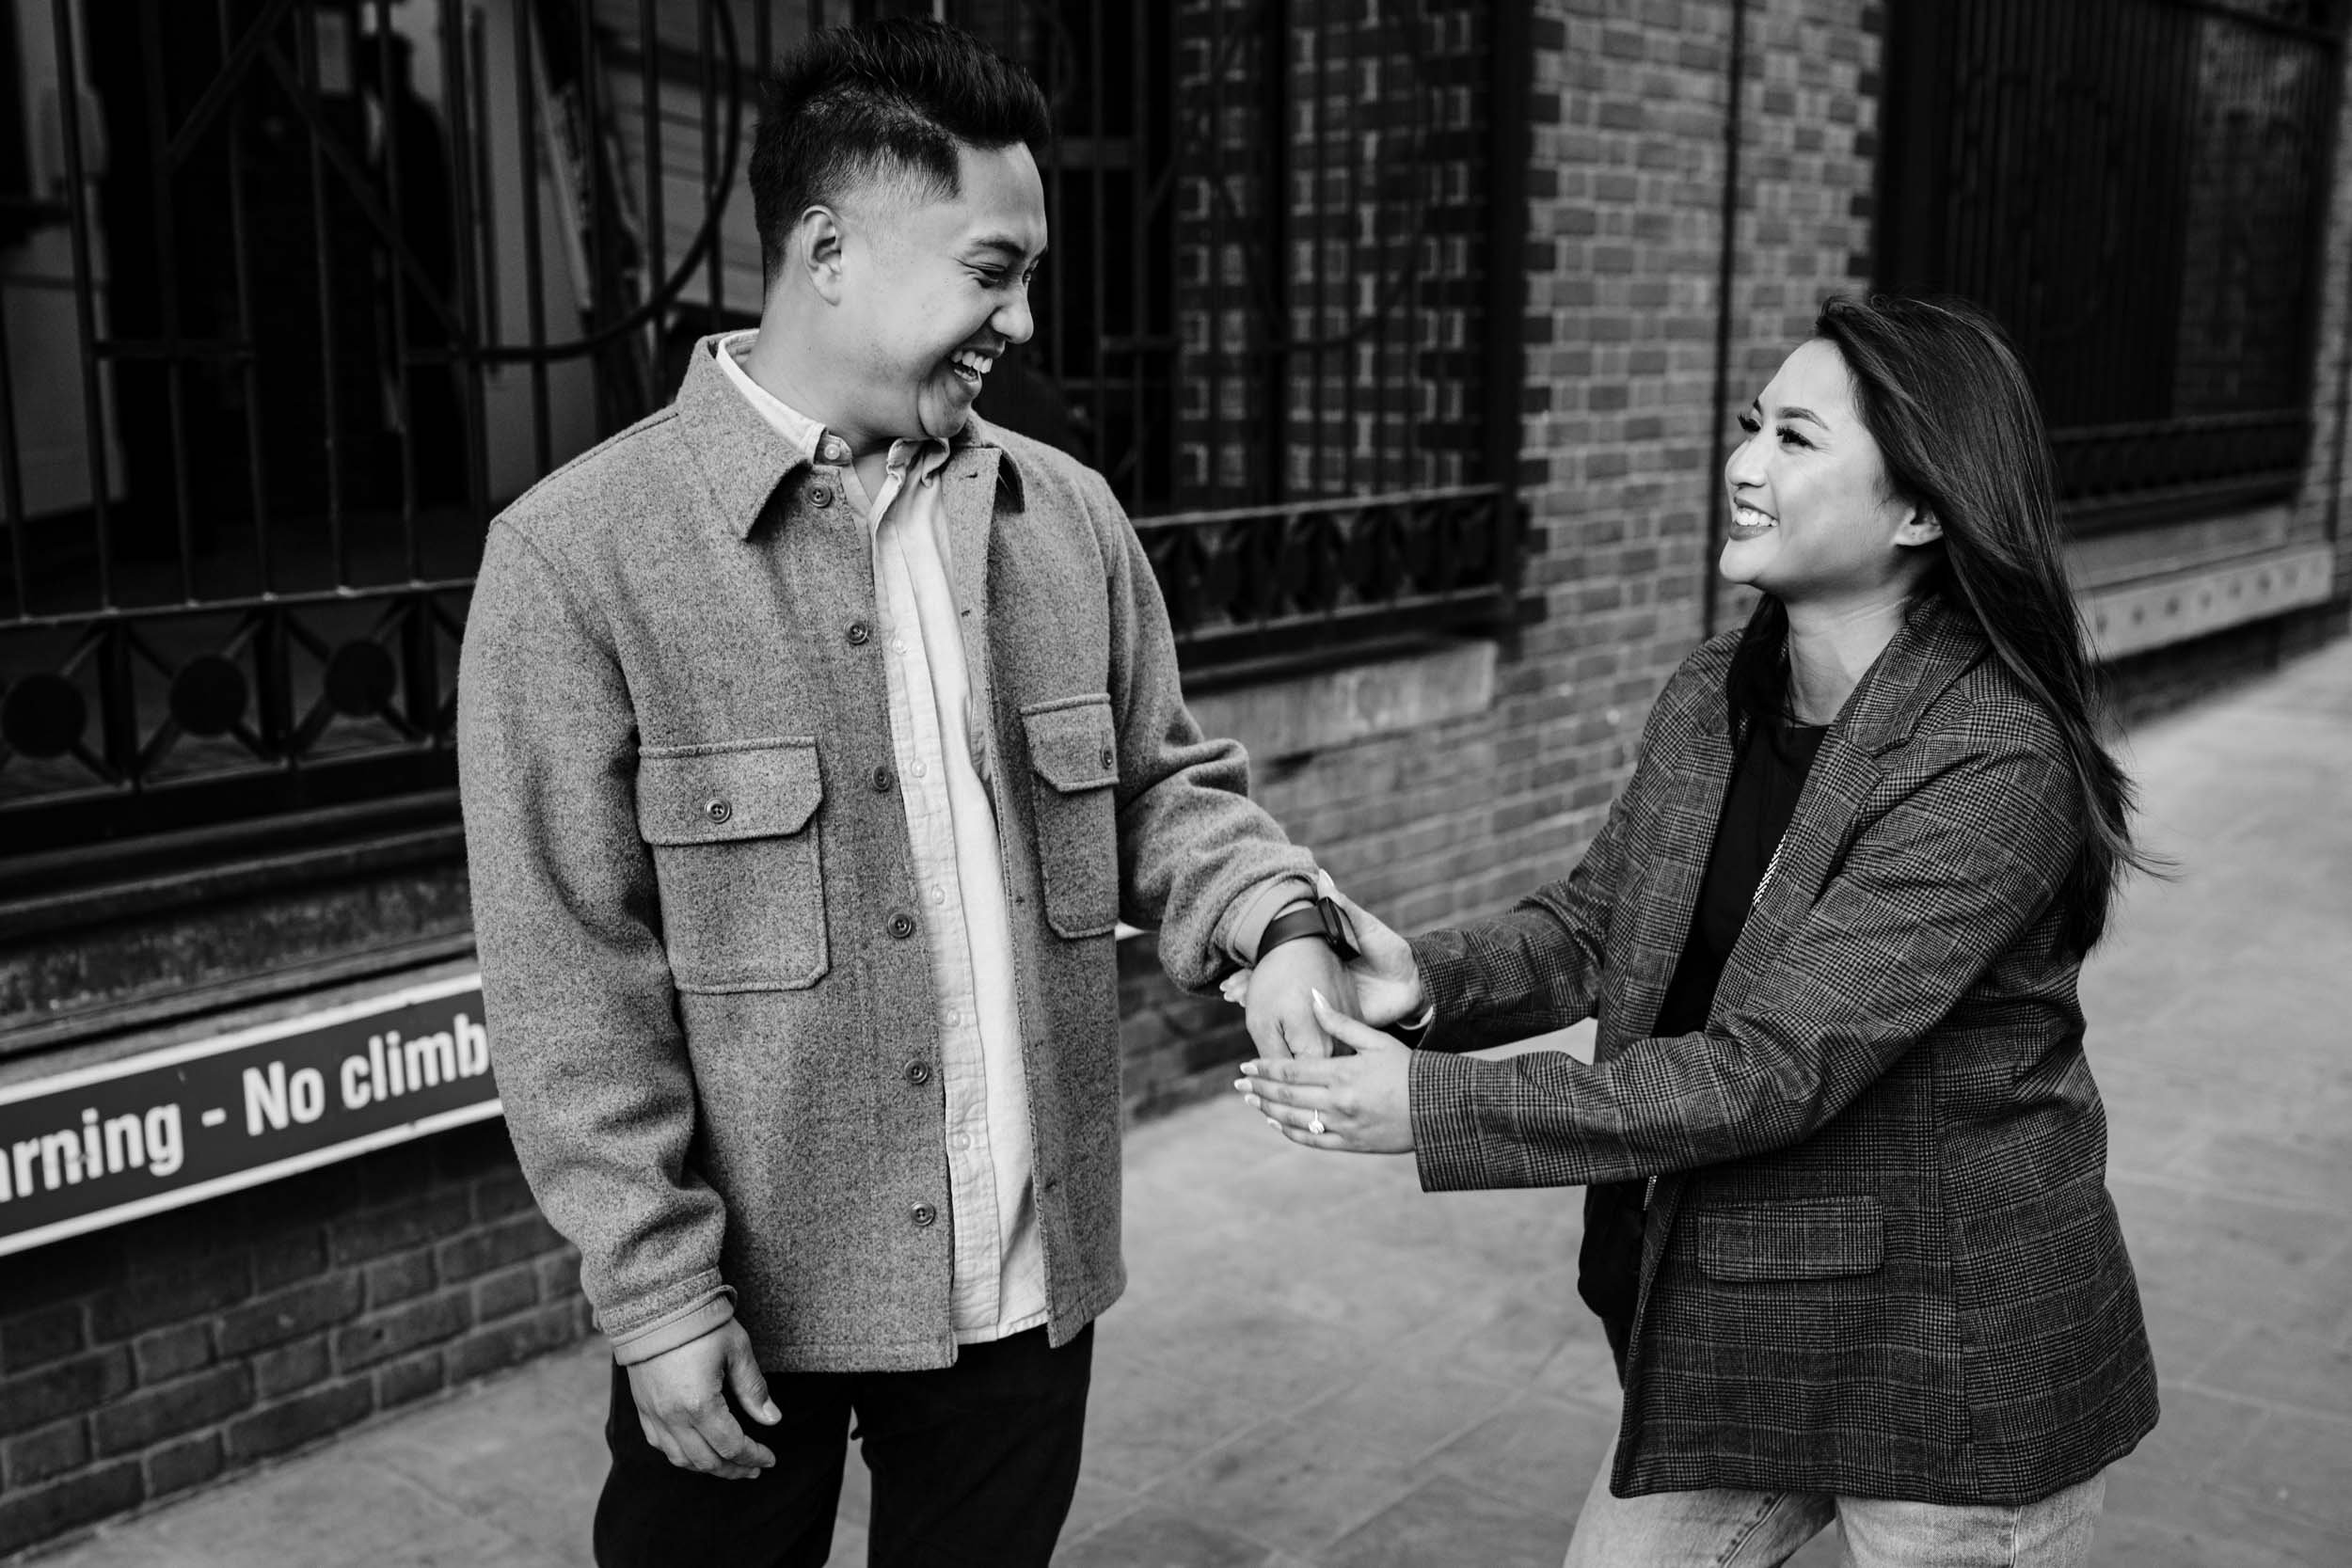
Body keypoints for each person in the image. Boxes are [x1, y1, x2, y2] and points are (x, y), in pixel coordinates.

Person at [457, 21, 1356, 1566]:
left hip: (1026, 1285)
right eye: (991, 270)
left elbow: (1164, 790)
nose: (1021, 314)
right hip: (753, 1312)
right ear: (825, 249)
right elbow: (567, 986)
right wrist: (655, 1291)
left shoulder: (1063, 516)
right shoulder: (576, 558)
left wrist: (1275, 916)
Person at [1229, 294, 2159, 1565]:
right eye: (1747, 426)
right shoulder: (1716, 691)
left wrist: (1439, 1108)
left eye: (1793, 437)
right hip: (1747, 1319)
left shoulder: (1993, 755)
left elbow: (1779, 1065)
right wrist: (1423, 981)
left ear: (1921, 508)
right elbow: (1602, 926)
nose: (1742, 463)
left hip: (1949, 1356)